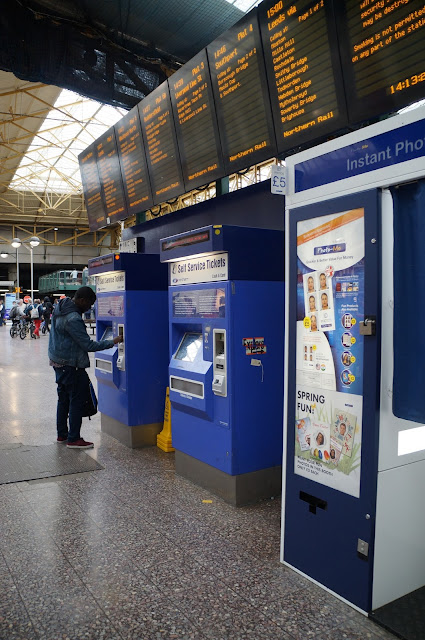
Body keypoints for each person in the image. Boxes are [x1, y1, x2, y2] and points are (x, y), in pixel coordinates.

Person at [48, 286, 123, 449]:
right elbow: (88, 345)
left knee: (63, 400)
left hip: (57, 362)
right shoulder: (73, 318)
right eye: (89, 303)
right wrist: (114, 341)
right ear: (82, 300)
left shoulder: (60, 307)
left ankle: (62, 434)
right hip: (71, 364)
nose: (89, 307)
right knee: (76, 400)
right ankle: (74, 438)